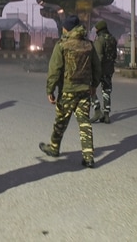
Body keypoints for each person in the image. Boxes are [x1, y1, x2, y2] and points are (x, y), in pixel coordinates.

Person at [39, 15, 101, 168]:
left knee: (61, 122)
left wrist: (50, 90)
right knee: (85, 123)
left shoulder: (62, 45)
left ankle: (54, 148)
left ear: (66, 28)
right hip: (85, 91)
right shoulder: (88, 45)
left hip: (67, 91)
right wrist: (94, 86)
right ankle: (88, 157)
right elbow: (97, 68)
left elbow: (55, 70)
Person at [90, 20, 118, 124]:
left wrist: (94, 70)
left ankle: (97, 110)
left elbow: (98, 57)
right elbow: (114, 55)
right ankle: (106, 115)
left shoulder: (100, 40)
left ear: (99, 29)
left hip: (99, 70)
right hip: (109, 69)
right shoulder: (113, 39)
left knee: (90, 89)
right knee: (107, 91)